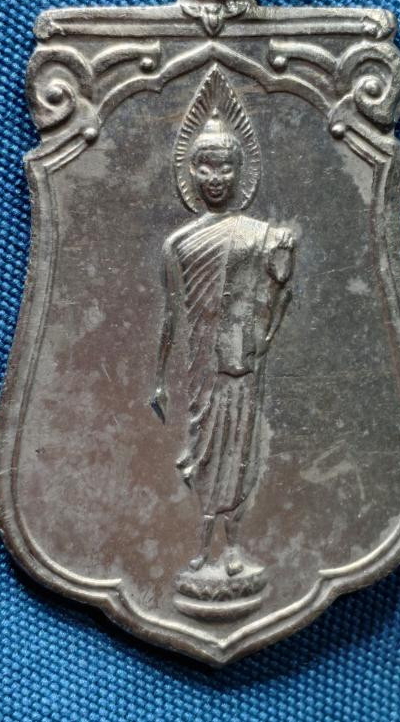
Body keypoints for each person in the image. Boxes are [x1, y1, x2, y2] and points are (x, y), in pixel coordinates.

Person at [152, 108, 294, 576]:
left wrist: (280, 264)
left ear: (240, 171)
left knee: (237, 451)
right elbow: (172, 313)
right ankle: (200, 544)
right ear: (191, 172)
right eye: (206, 167)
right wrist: (159, 379)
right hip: (201, 365)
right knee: (206, 451)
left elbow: (279, 291)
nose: (215, 178)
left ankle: (231, 549)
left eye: (225, 167)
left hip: (239, 361)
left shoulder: (258, 235)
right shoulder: (179, 243)